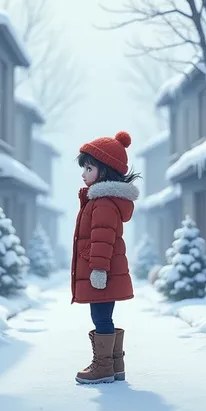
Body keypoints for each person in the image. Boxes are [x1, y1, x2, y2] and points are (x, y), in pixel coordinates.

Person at [72, 131, 140, 384]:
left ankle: (103, 368)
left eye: (88, 168)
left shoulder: (102, 203)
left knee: (100, 317)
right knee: (103, 316)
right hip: (101, 270)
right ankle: (115, 366)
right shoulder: (102, 200)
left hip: (101, 272)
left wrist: (98, 269)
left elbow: (102, 238)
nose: (83, 174)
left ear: (105, 171)